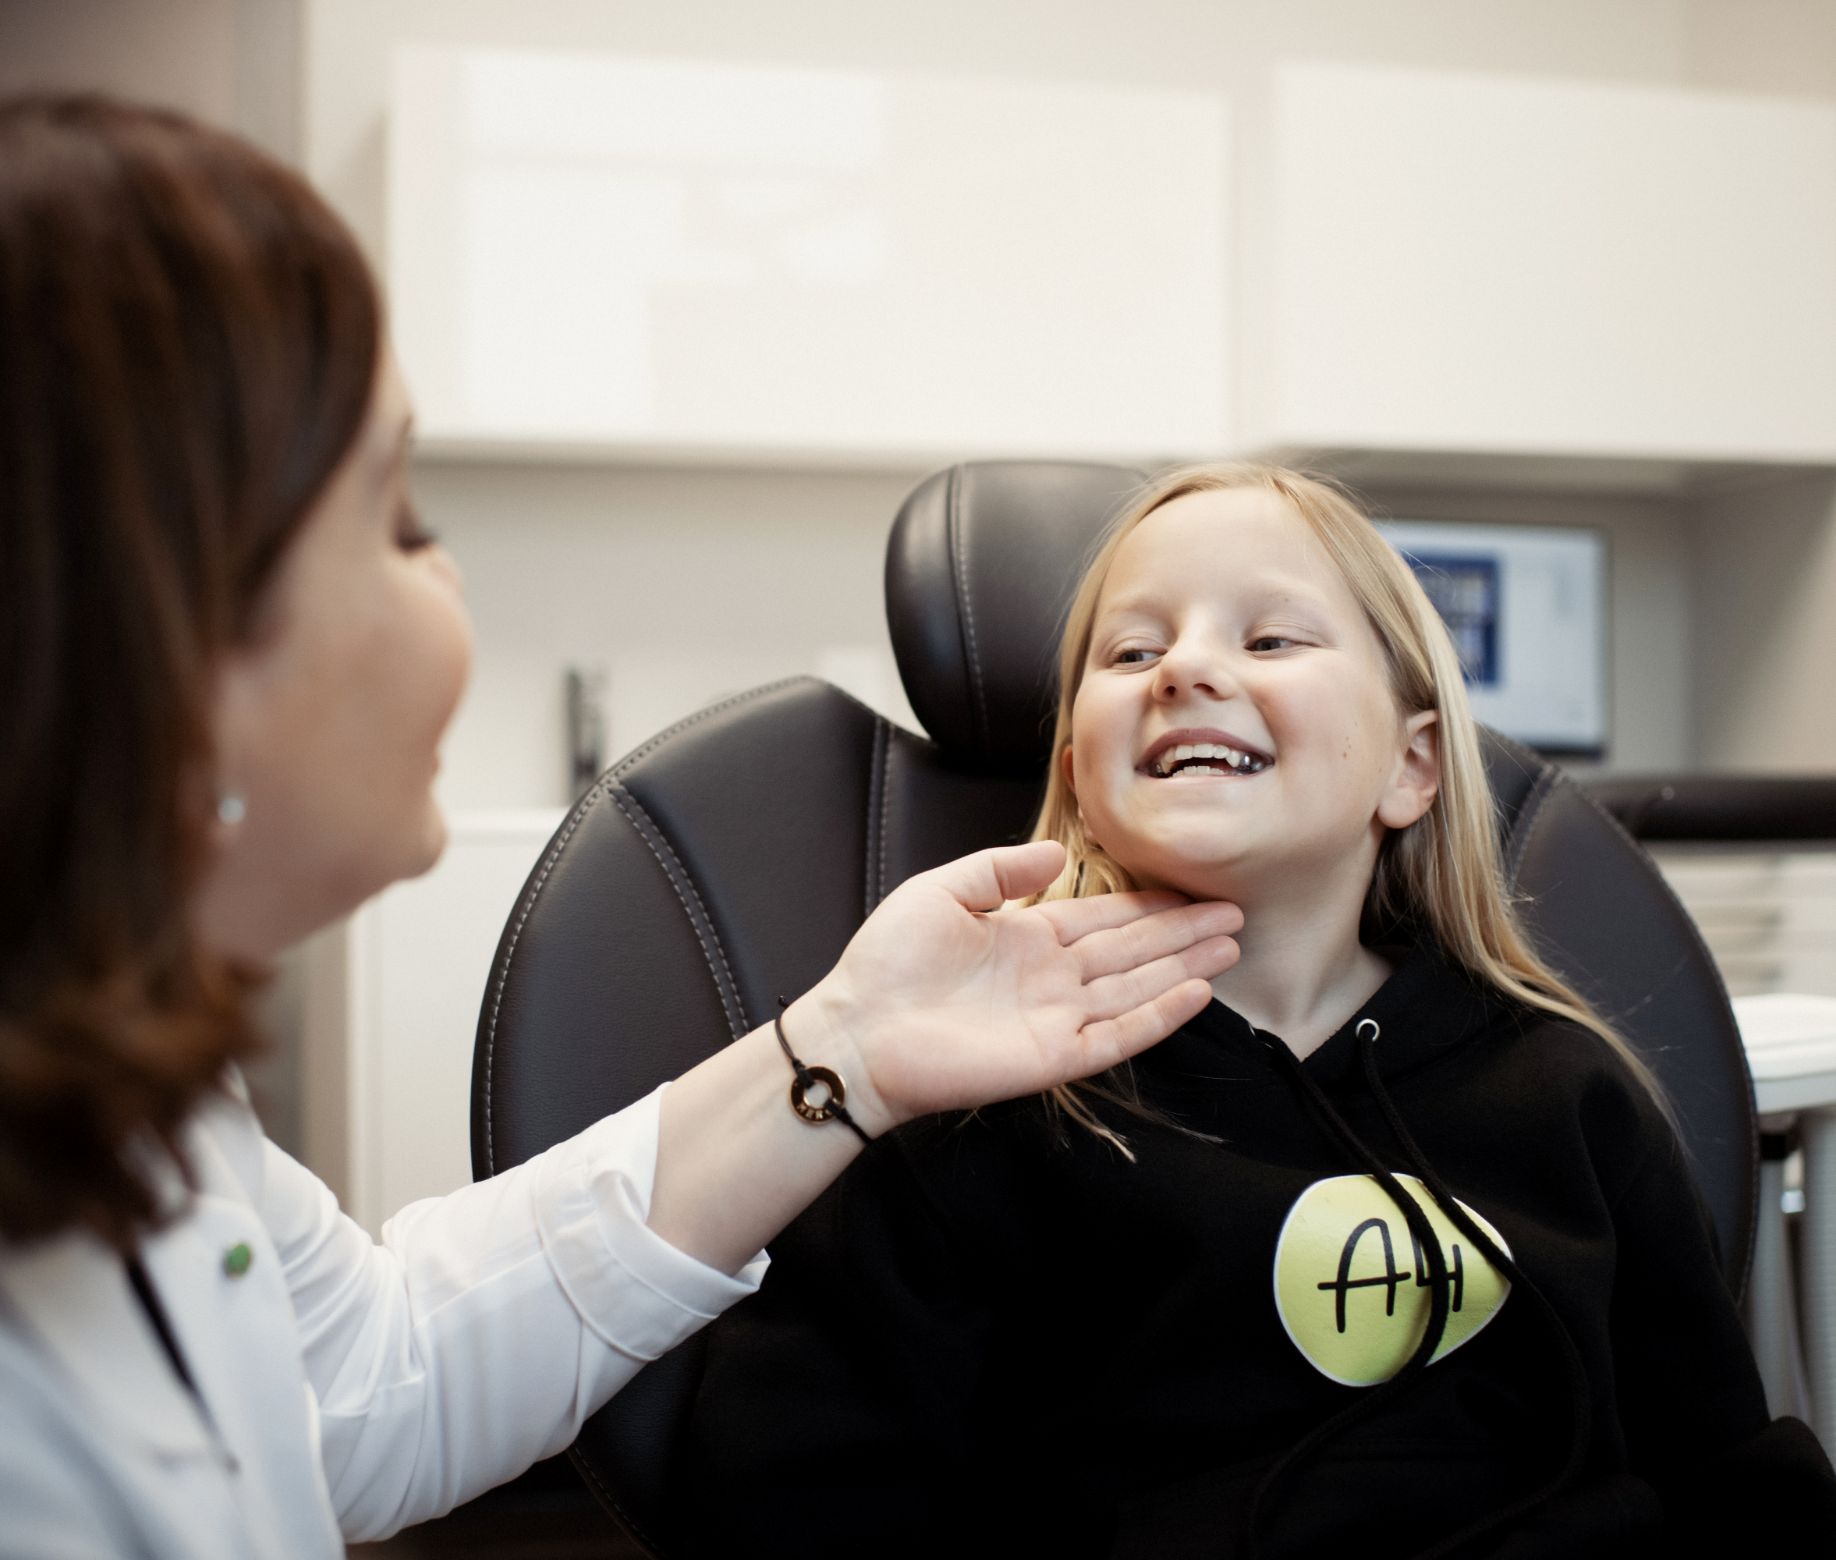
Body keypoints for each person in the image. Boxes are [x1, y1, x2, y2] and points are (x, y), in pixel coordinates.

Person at [0, 95, 1246, 1558]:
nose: (447, 579)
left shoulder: (144, 1117)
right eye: (396, 516)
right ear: (173, 618)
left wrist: (844, 1041)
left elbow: (360, 1380)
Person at [676, 463, 1836, 1556]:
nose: (1184, 669)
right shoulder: (982, 1112)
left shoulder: (1569, 1094)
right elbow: (789, 1500)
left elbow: (1727, 1474)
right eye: (1132, 652)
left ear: (1413, 766)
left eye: (1271, 636)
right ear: (1080, 770)